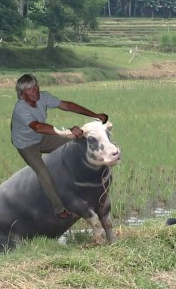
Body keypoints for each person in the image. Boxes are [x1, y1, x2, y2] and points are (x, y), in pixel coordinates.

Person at [11, 73, 108, 219]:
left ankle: (89, 174)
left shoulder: (43, 97)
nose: (35, 91)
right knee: (44, 174)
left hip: (43, 137)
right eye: (30, 89)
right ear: (22, 94)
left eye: (36, 86)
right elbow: (37, 127)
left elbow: (67, 106)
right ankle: (59, 208)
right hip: (26, 145)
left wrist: (95, 115)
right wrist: (66, 132)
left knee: (79, 139)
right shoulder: (20, 108)